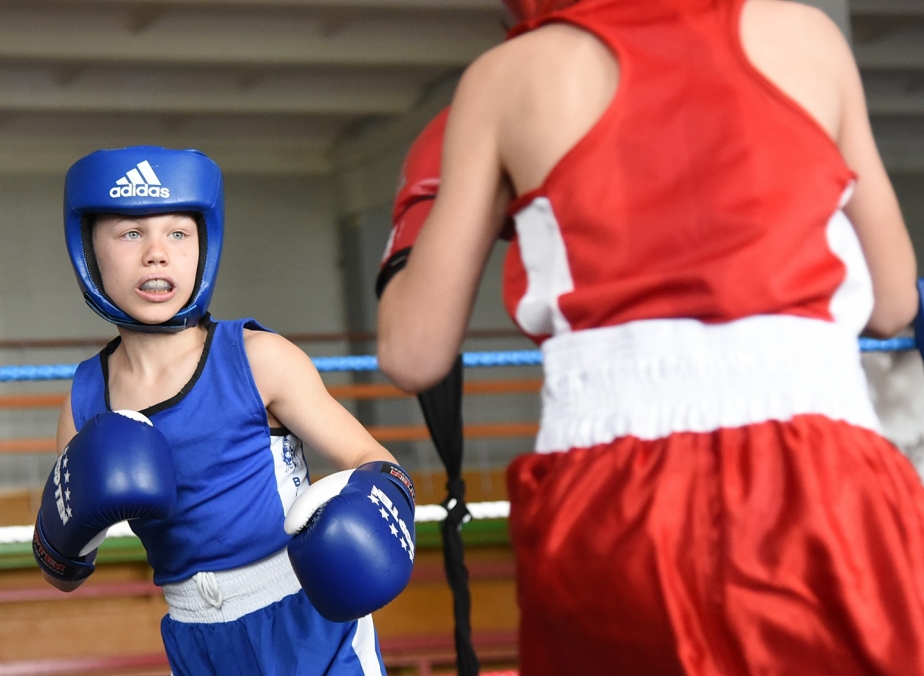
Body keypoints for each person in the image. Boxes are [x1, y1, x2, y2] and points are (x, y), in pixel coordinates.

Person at [376, 0, 924, 674]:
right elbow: (894, 300)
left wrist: (423, 215)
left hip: (615, 495)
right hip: (827, 472)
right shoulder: (806, 33)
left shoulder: (510, 76)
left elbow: (412, 351)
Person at [31, 145, 417, 676]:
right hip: (196, 637)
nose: (156, 253)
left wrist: (371, 511)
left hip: (302, 616)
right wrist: (64, 539)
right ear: (89, 250)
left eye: (177, 233)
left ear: (202, 246)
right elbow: (63, 570)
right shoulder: (84, 405)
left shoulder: (259, 359)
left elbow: (373, 459)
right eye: (130, 233)